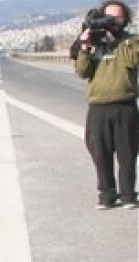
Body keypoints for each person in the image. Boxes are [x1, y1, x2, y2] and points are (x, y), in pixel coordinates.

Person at [74, 1, 139, 210]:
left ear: (125, 19)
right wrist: (85, 45)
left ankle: (128, 195)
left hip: (125, 106)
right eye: (108, 17)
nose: (112, 21)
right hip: (98, 108)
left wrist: (116, 40)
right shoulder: (93, 43)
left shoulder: (132, 41)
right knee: (100, 152)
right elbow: (82, 72)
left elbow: (131, 61)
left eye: (117, 18)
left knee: (127, 152)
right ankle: (106, 195)